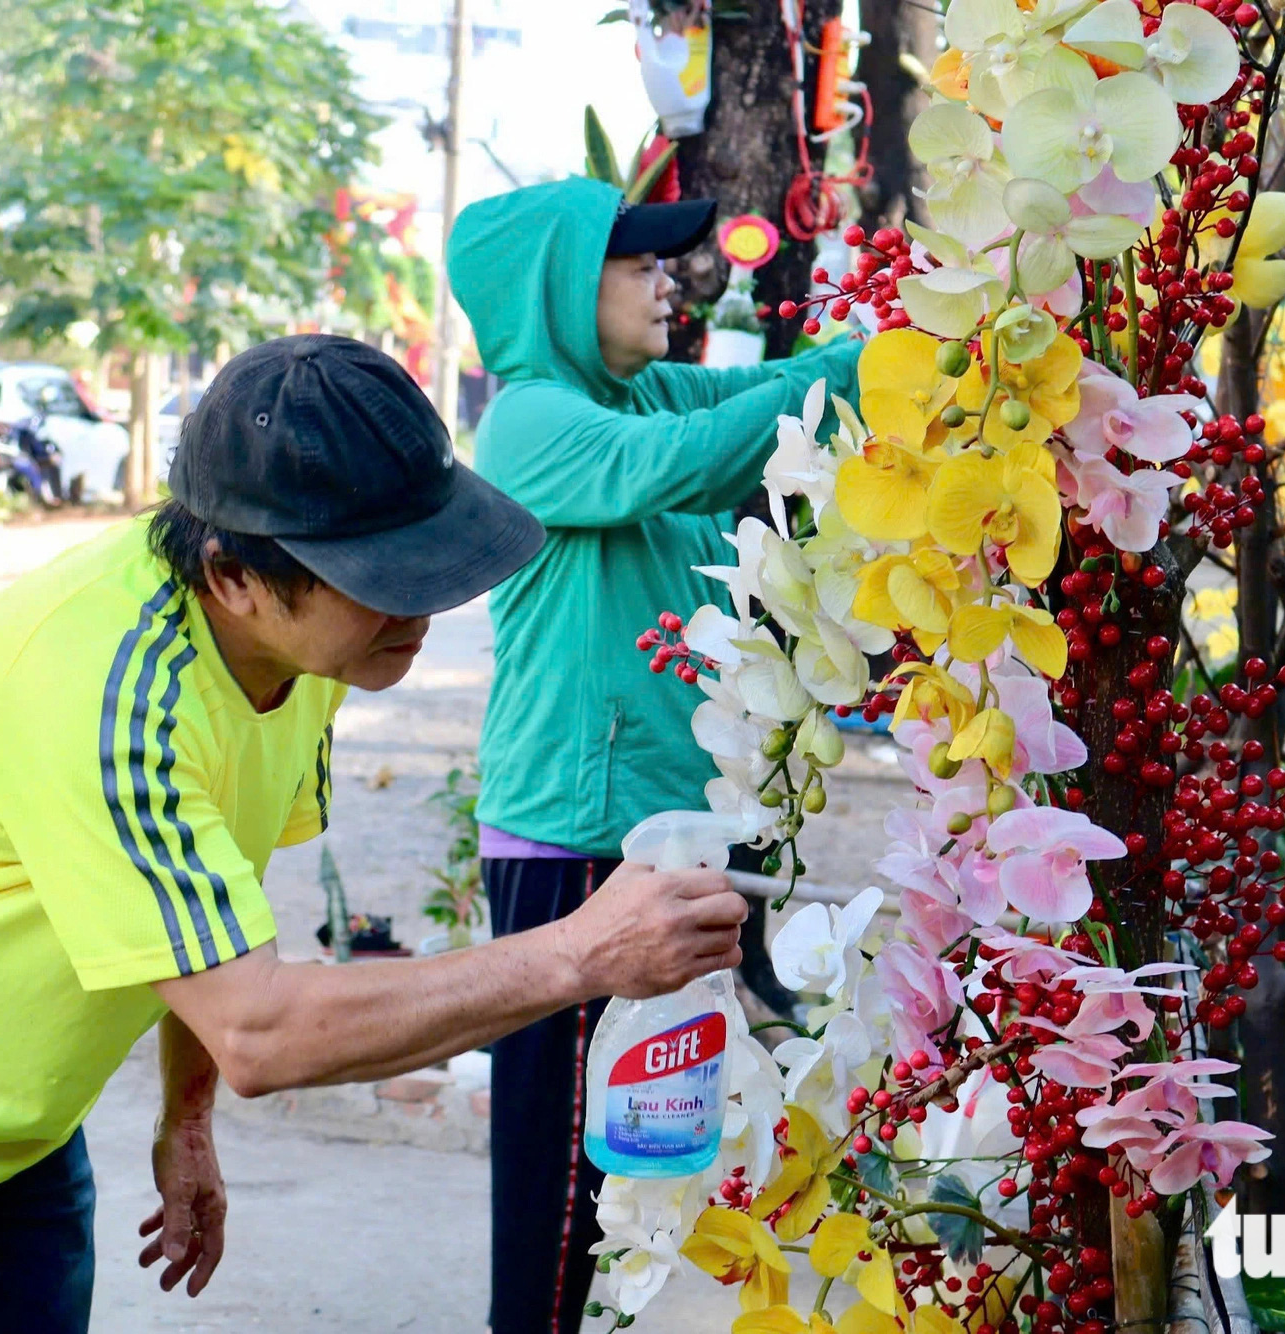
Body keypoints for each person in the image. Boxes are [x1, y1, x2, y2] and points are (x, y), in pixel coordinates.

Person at [0, 334, 750, 1334]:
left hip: (9, 1126)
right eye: (380, 579)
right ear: (232, 574)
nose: (420, 606)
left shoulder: (302, 655)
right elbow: (260, 1029)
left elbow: (219, 907)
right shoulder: (109, 694)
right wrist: (577, 952)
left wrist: (183, 1118)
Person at [446, 177, 862, 1334]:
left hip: (661, 835)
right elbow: (684, 461)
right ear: (556, 295)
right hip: (573, 844)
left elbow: (763, 409)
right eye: (632, 266)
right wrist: (859, 360)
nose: (664, 281)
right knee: (558, 1168)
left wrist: (869, 349)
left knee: (646, 1136)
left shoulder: (640, 393)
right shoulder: (532, 417)